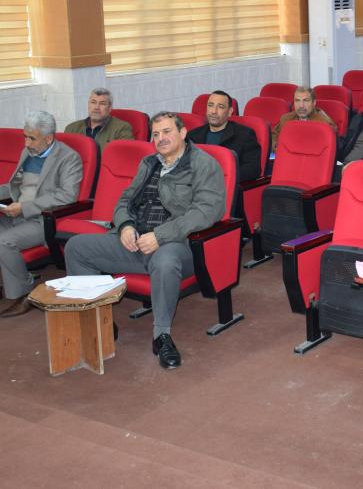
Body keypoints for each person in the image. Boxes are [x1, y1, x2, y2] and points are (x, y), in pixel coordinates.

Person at [64, 112, 226, 369]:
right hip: (136, 240)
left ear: (183, 133)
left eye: (167, 132)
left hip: (177, 244)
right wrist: (125, 226)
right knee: (76, 248)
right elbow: (125, 201)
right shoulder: (149, 163)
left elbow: (205, 212)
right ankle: (100, 321)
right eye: (156, 134)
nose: (161, 138)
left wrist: (160, 236)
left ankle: (162, 336)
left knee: (164, 261)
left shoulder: (204, 165)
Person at [0, 111, 83, 317]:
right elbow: (17, 186)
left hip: (41, 220)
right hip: (14, 215)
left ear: (49, 138)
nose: (26, 143)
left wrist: (24, 207)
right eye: (25, 136)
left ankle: (26, 293)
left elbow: (67, 196)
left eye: (32, 138)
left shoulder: (69, 158)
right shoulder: (27, 153)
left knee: (2, 242)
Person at [186, 90, 261, 182]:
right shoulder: (193, 135)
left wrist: (223, 176)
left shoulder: (245, 135)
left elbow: (253, 169)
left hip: (225, 186)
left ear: (230, 112)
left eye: (220, 107)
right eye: (210, 105)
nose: (214, 111)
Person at [63, 87, 135, 150]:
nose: (96, 107)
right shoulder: (71, 129)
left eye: (102, 103)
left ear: (110, 108)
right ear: (88, 105)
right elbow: (64, 157)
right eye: (93, 102)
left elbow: (124, 156)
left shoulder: (122, 128)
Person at [271, 86, 337, 149]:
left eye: (306, 100)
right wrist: (278, 147)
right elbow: (274, 136)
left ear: (314, 103)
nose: (301, 105)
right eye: (297, 100)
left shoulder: (324, 123)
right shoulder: (285, 119)